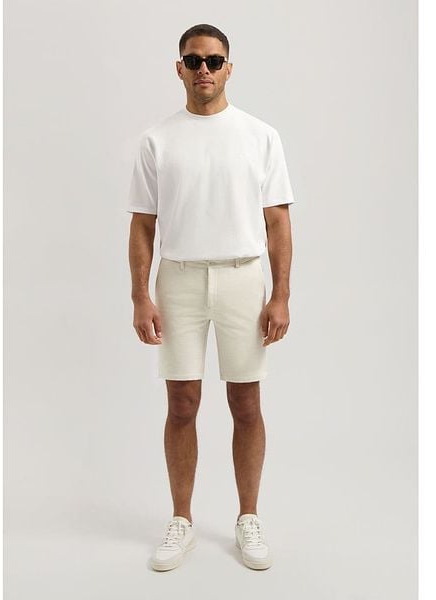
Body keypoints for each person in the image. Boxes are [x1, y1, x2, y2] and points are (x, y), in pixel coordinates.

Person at [127, 23, 295, 571]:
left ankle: (248, 517)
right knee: (182, 403)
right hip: (178, 279)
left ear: (229, 68)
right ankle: (182, 520)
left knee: (246, 403)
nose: (204, 69)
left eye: (214, 60)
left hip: (243, 277)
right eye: (194, 60)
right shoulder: (157, 140)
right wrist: (140, 296)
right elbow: (143, 224)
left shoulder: (260, 136)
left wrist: (280, 295)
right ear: (179, 68)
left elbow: (277, 222)